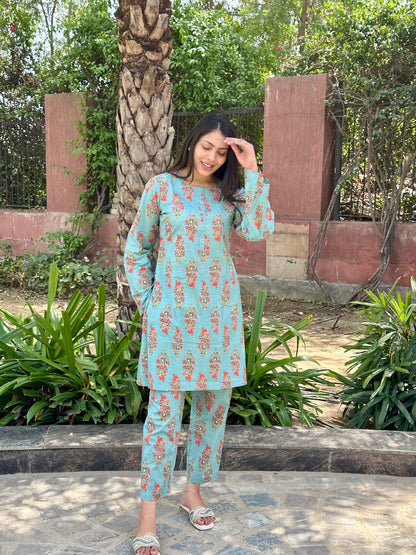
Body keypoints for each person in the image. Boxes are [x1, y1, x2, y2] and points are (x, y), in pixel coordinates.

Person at [124, 111, 274, 555]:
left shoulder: (232, 196)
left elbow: (259, 230)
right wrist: (150, 303)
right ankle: (147, 514)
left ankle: (193, 492)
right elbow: (137, 248)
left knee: (212, 412)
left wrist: (252, 170)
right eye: (207, 146)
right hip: (170, 322)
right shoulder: (161, 188)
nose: (212, 157)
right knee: (162, 418)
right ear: (192, 142)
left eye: (222, 152)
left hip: (218, 320)